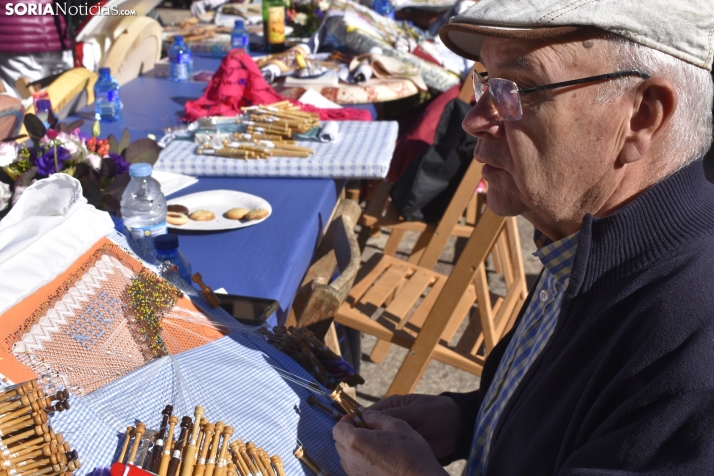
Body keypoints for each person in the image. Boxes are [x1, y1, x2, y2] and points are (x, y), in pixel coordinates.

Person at [332, 0, 714, 475]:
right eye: (485, 82)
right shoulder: (587, 238)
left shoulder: (691, 345)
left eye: (519, 88)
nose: (474, 119)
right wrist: (468, 419)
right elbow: (574, 412)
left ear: (642, 117)